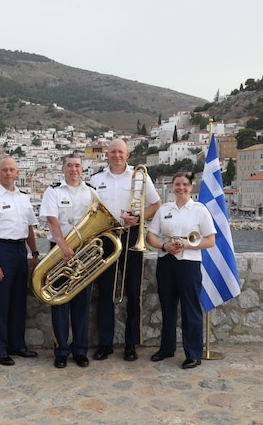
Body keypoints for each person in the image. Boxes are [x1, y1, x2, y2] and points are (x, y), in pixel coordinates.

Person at [89, 138, 161, 361]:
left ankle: (131, 344)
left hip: (132, 237)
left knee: (133, 292)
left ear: (127, 155)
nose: (117, 155)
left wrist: (138, 218)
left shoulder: (139, 176)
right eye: (113, 152)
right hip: (106, 238)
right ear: (107, 154)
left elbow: (155, 205)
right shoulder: (96, 179)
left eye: (121, 152)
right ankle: (105, 344)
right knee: (105, 294)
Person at [146, 171, 216, 369]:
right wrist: (163, 246)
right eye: (177, 184)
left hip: (189, 264)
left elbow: (210, 240)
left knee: (190, 309)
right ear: (172, 186)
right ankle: (166, 348)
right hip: (166, 262)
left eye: (185, 184)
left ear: (191, 187)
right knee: (167, 307)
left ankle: (193, 353)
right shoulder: (164, 209)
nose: (181, 188)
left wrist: (186, 246)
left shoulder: (199, 210)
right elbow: (150, 236)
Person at [0, 156, 40, 366]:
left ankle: (17, 345)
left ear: (17, 173)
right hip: (1, 249)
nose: (8, 173)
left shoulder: (23, 198)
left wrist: (34, 253)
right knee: (0, 302)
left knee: (18, 301)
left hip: (20, 250)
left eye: (11, 169)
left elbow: (30, 227)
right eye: (4, 169)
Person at [39, 153, 96, 369]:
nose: (74, 169)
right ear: (63, 169)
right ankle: (61, 350)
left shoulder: (91, 193)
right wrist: (63, 246)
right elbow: (52, 221)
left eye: (78, 166)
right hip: (60, 252)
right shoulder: (53, 191)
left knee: (82, 304)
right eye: (70, 165)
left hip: (85, 252)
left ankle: (80, 350)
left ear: (83, 169)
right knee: (59, 302)